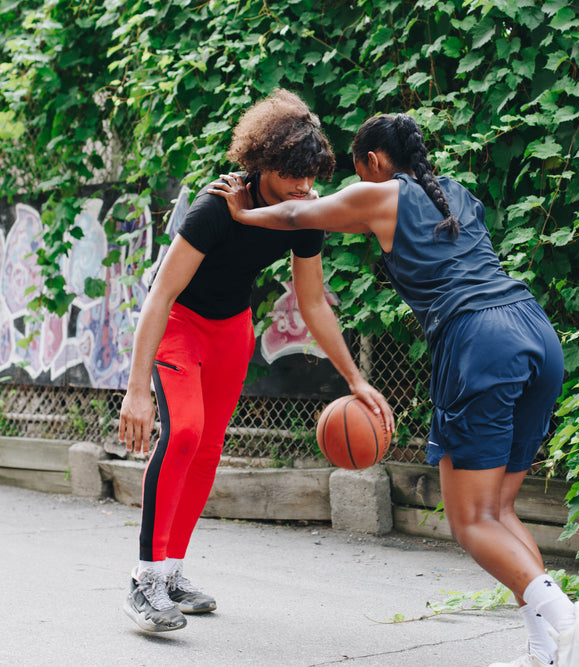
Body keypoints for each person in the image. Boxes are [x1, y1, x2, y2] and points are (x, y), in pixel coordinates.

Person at [210, 113, 579, 666]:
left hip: (481, 342)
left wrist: (242, 211)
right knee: (497, 509)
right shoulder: (457, 193)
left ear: (373, 162)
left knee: (470, 521)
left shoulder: (382, 195)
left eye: (356, 171)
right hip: (534, 331)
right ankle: (549, 650)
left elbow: (296, 213)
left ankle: (571, 619)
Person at [118, 90, 394, 633]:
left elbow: (313, 302)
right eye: (293, 176)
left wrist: (356, 380)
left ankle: (172, 572)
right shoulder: (217, 206)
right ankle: (144, 579)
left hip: (230, 332)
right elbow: (160, 294)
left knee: (208, 450)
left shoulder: (303, 214)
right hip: (179, 324)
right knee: (185, 432)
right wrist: (136, 388)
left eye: (311, 177)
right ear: (263, 162)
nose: (304, 188)